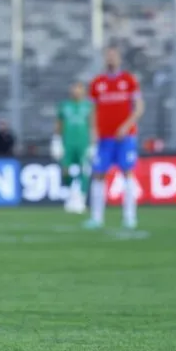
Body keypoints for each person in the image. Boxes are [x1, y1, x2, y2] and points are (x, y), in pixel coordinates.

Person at [85, 47, 144, 230]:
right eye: (108, 56)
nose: (111, 59)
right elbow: (92, 110)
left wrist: (126, 126)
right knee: (98, 174)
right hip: (104, 138)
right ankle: (96, 218)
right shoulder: (97, 83)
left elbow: (139, 108)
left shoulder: (129, 80)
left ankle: (129, 217)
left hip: (125, 137)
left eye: (114, 56)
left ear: (119, 59)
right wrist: (93, 130)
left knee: (127, 173)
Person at [51, 82, 93, 214]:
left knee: (84, 170)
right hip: (67, 143)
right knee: (65, 170)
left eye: (78, 89)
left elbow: (93, 125)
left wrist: (94, 144)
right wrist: (56, 141)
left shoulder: (89, 106)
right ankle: (71, 195)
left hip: (83, 143)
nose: (76, 92)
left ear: (83, 91)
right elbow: (59, 124)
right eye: (74, 89)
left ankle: (81, 198)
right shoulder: (64, 106)